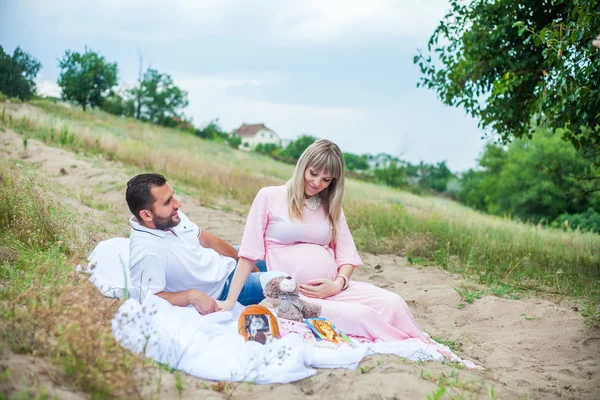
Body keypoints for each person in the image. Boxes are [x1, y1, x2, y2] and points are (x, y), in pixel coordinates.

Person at [218, 140, 437, 344]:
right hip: (296, 294)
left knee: (394, 303)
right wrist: (230, 302)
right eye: (313, 174)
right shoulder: (269, 196)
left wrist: (337, 284)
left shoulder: (330, 206)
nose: (317, 183)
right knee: (362, 316)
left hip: (336, 288)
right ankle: (404, 342)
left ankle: (419, 343)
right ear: (302, 166)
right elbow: (249, 253)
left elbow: (347, 256)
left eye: (326, 179)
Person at [125, 173, 267, 314]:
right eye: (168, 201)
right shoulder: (146, 252)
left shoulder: (171, 218)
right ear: (146, 215)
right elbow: (149, 298)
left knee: (275, 255)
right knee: (284, 280)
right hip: (224, 289)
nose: (177, 204)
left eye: (173, 196)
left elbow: (207, 239)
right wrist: (190, 296)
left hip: (224, 262)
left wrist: (243, 260)